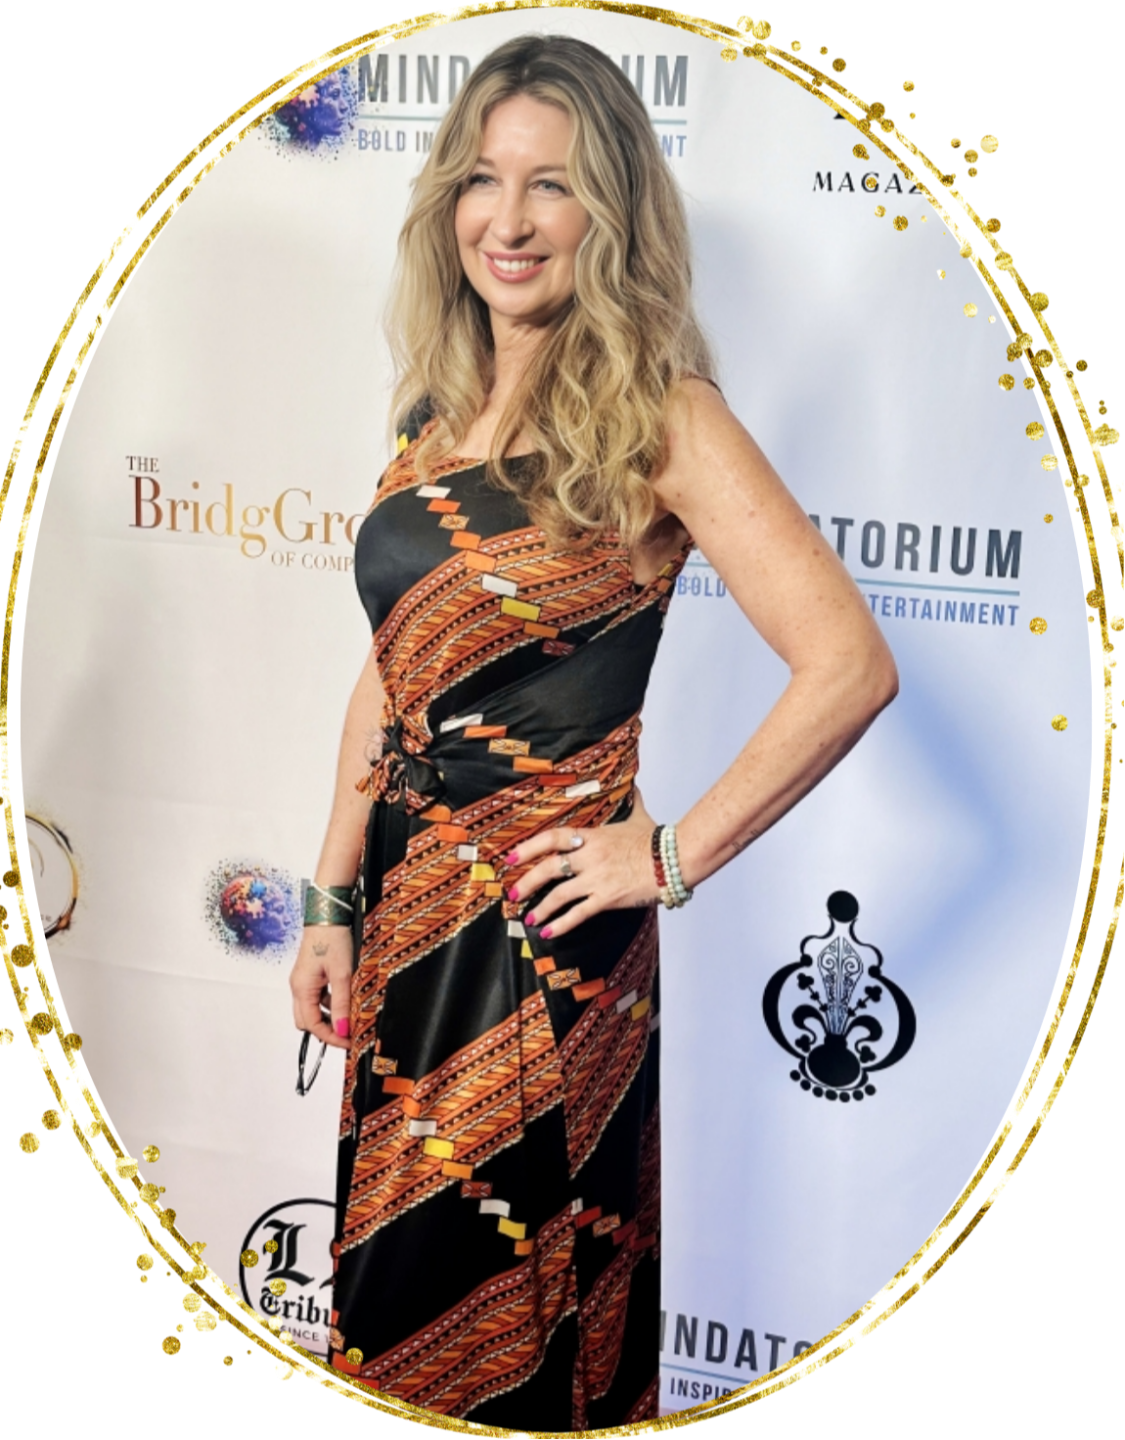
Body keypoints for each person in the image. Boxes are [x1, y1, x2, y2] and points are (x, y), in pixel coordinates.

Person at [288, 32, 897, 1430]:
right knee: (395, 1311)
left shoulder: (661, 416)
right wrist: (330, 894)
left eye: (551, 184)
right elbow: (394, 669)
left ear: (608, 210)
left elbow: (848, 665)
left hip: (544, 947)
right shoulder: (435, 414)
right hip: (410, 928)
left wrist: (665, 855)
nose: (509, 221)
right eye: (483, 180)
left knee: (521, 1326)